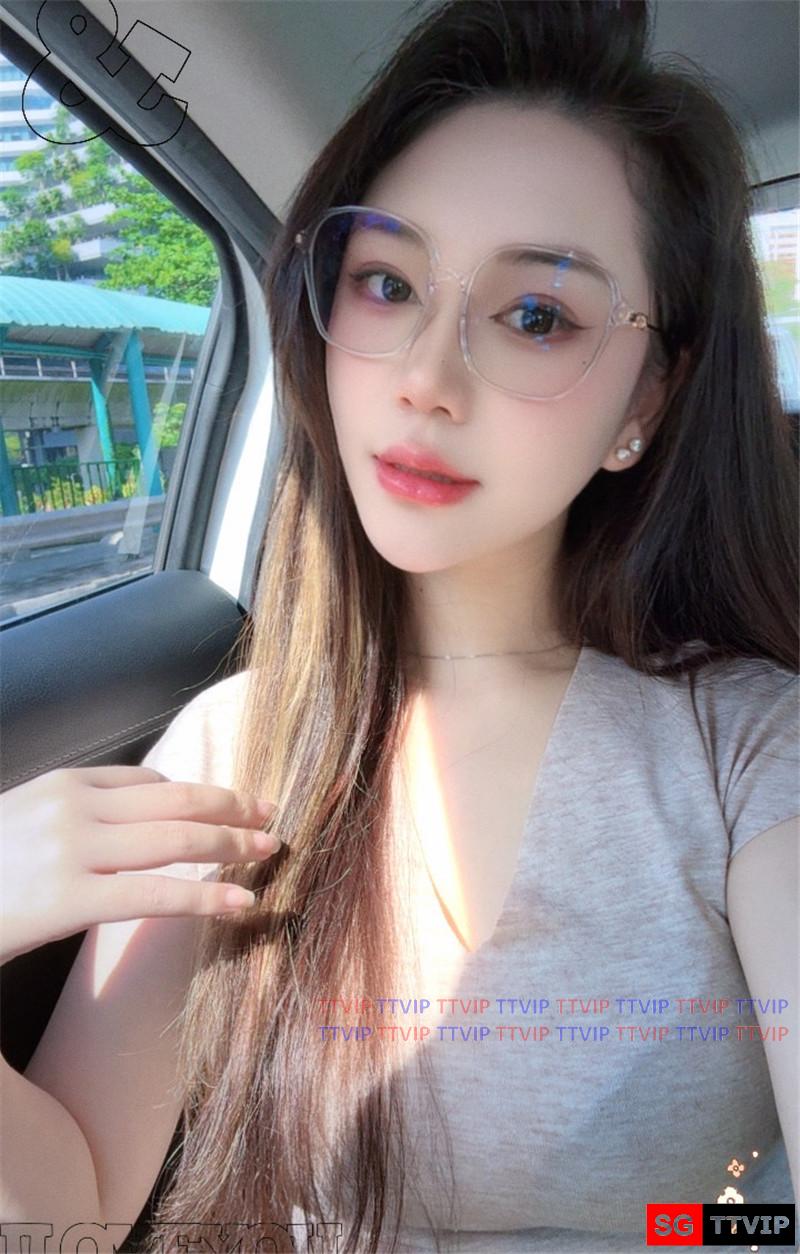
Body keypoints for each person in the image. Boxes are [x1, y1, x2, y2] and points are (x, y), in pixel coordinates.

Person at [1, 1, 797, 1251]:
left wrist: (703, 1235)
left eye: (534, 315)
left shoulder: (747, 754)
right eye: (385, 284)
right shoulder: (233, 746)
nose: (426, 377)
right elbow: (73, 1218)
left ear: (645, 400)